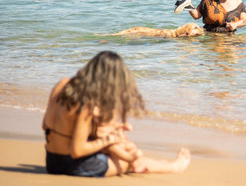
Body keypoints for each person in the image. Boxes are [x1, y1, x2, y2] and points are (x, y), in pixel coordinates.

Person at [42, 51, 191, 177]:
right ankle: (173, 167)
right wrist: (106, 140)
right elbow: (77, 151)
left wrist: (107, 132)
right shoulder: (87, 103)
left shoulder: (62, 83)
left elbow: (45, 125)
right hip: (73, 165)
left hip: (51, 161)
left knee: (122, 144)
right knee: (128, 161)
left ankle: (137, 159)